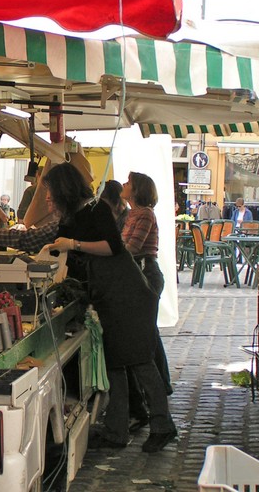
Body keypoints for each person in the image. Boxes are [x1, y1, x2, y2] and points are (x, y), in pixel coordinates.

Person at [41, 162, 176, 453]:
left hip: (128, 294)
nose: (48, 197)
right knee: (115, 362)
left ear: (64, 189)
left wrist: (74, 244)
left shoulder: (95, 210)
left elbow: (113, 246)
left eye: (50, 191)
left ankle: (163, 426)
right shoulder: (71, 218)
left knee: (140, 360)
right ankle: (116, 431)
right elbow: (54, 243)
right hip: (106, 295)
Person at [120, 172, 175, 431]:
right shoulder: (131, 213)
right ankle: (147, 405)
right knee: (146, 338)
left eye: (128, 182)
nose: (124, 184)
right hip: (137, 276)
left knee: (143, 343)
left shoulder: (143, 214)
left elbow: (131, 248)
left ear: (137, 188)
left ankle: (157, 407)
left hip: (146, 276)